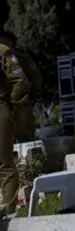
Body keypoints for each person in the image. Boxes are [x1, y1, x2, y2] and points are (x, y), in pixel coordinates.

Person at [0, 32, 43, 143]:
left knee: (23, 137)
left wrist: (29, 97)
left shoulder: (20, 57)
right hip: (13, 103)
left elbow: (35, 79)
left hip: (19, 102)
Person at [0, 31, 19, 215]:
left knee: (4, 162)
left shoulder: (4, 51)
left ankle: (9, 210)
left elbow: (19, 80)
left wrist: (12, 105)